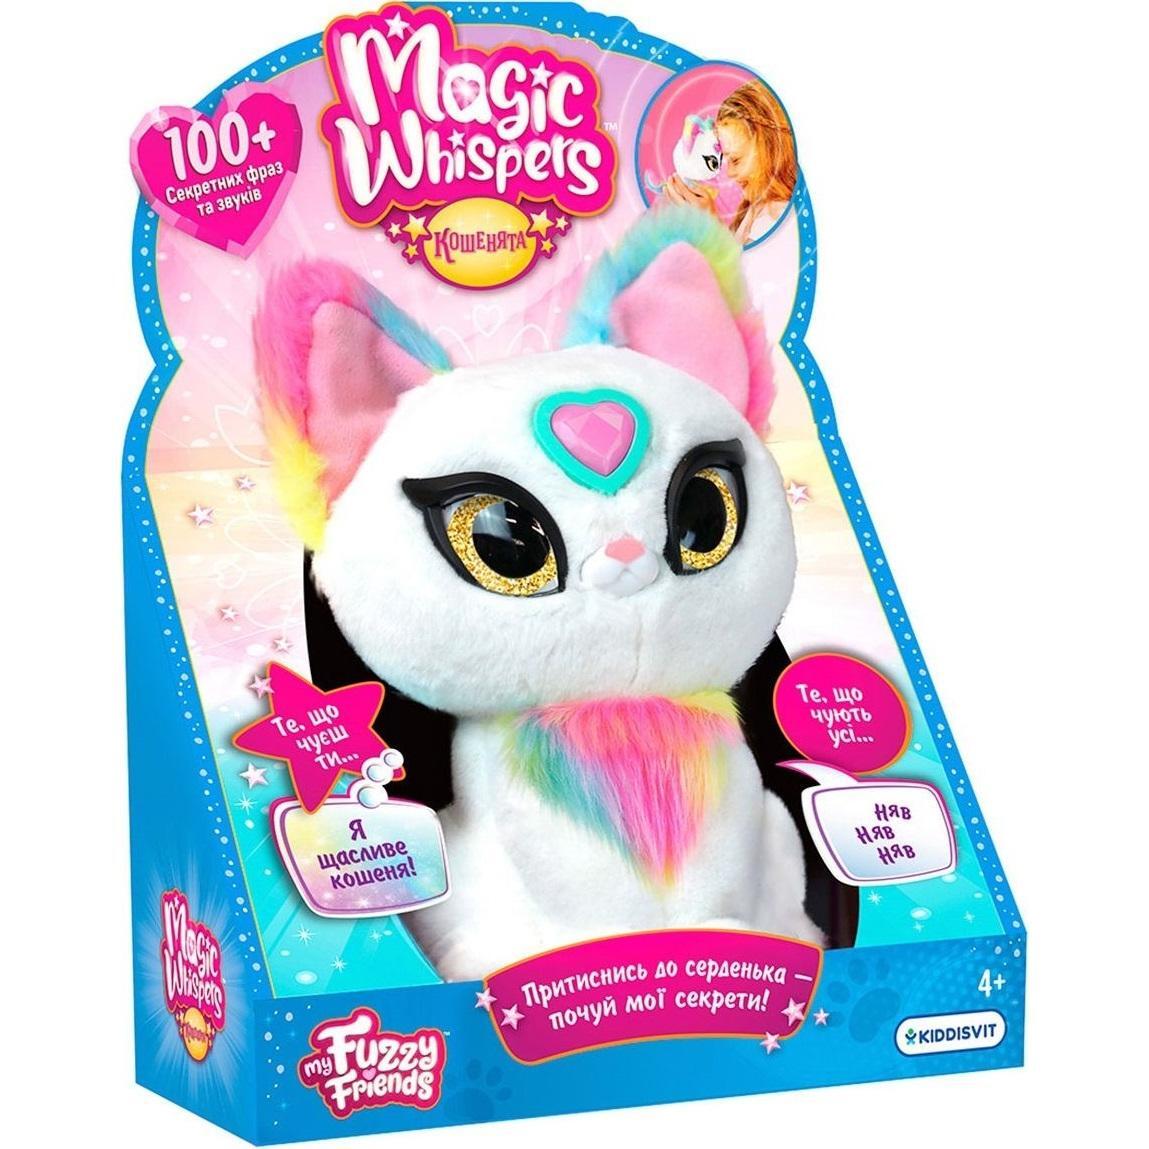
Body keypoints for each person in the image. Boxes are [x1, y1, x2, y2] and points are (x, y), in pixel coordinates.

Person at [665, 81, 797, 244]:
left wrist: (710, 228)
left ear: (771, 150)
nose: (729, 173)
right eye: (726, 161)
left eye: (735, 159)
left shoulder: (777, 217)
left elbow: (745, 260)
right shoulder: (757, 207)